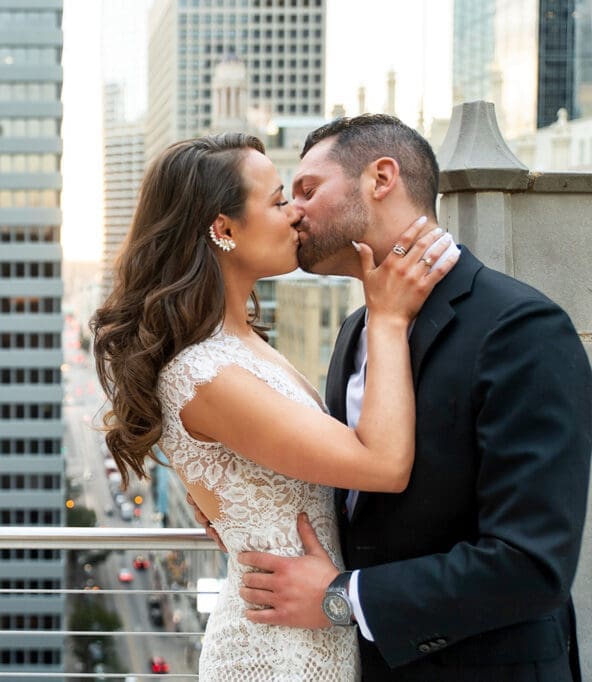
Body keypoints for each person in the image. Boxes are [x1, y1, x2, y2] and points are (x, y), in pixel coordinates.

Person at [212, 114, 590, 681]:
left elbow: (531, 564)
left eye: (309, 190)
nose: (295, 211)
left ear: (381, 178)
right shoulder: (355, 332)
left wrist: (343, 597)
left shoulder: (521, 328)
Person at [91, 131, 457, 680]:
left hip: (311, 630)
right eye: (280, 199)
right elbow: (383, 464)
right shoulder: (203, 372)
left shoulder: (243, 345)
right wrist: (387, 317)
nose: (296, 216)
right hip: (275, 654)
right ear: (224, 229)